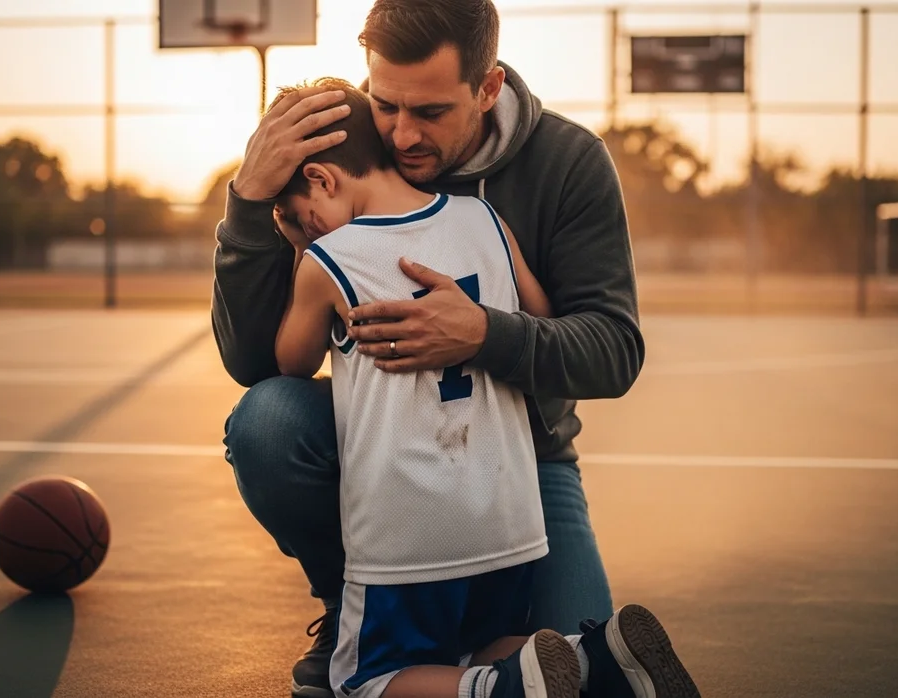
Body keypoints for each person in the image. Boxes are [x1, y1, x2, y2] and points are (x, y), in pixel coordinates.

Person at [212, 1, 689, 696]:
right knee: (268, 422)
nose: (402, 134)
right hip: (389, 458)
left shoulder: (565, 161)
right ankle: (345, 600)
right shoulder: (349, 152)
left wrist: (483, 332)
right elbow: (257, 370)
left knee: (523, 672)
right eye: (386, 105)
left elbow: (612, 348)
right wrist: (249, 203)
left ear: (488, 89)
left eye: (430, 113)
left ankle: (445, 651)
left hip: (524, 459)